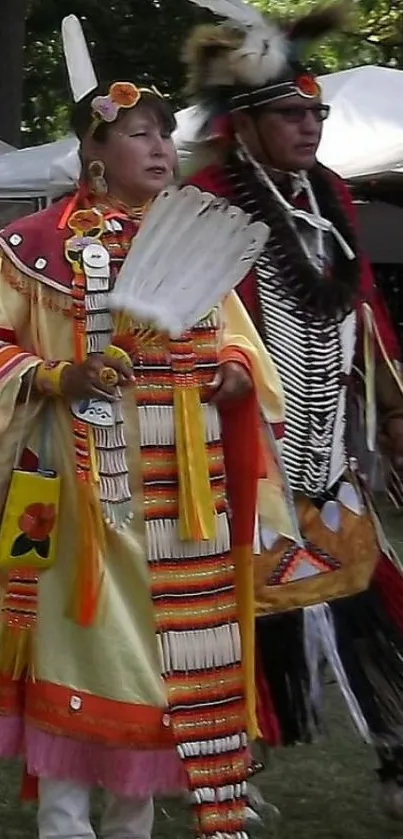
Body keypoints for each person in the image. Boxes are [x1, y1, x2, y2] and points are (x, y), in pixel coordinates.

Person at [0, 16, 285, 839]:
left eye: (165, 132)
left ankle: (131, 823)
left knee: (170, 675)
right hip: (81, 495)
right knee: (82, 659)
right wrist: (60, 374)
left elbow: (234, 332)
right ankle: (63, 823)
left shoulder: (188, 236)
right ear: (96, 151)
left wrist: (232, 368)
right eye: (138, 133)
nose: (161, 146)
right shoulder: (34, 245)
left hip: (182, 503)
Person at [181, 0, 403, 818]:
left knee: (366, 597)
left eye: (315, 113)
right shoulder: (205, 198)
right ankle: (230, 768)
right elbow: (182, 318)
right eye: (290, 114)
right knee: (238, 614)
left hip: (329, 451)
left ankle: (395, 753)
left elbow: (364, 306)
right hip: (240, 452)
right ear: (244, 124)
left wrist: (388, 406)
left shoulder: (332, 195)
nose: (309, 126)